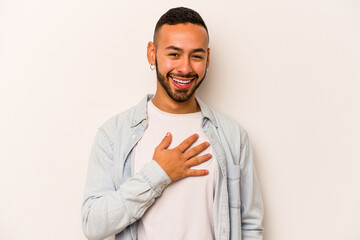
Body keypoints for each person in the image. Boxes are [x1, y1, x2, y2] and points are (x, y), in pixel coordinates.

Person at [82, 7, 264, 240]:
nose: (186, 68)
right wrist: (158, 174)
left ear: (207, 58)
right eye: (174, 54)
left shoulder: (234, 137)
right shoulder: (114, 134)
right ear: (152, 53)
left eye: (196, 56)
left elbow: (250, 226)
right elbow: (93, 225)